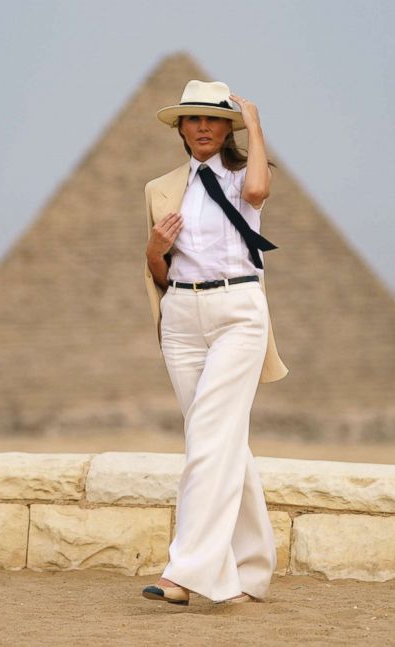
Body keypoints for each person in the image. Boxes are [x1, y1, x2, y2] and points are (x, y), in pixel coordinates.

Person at [140, 80, 288, 606]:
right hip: (181, 316)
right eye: (193, 119)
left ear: (228, 128)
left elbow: (255, 195)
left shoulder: (248, 174)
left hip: (236, 314)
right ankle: (250, 574)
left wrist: (256, 121)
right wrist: (155, 247)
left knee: (207, 438)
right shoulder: (161, 188)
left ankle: (186, 571)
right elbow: (158, 271)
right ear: (180, 128)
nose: (202, 128)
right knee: (223, 443)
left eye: (214, 119)